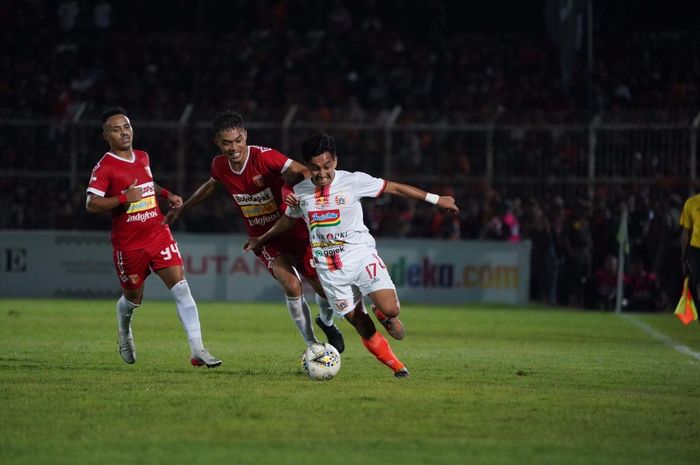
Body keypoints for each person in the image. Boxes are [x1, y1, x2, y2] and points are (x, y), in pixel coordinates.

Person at [244, 133, 460, 377]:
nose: (322, 173)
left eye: (327, 166)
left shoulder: (354, 181)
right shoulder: (300, 192)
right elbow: (288, 220)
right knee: (360, 323)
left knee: (391, 310)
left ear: (335, 161)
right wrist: (262, 239)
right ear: (307, 166)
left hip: (361, 257)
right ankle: (398, 367)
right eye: (315, 168)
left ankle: (381, 313)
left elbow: (395, 188)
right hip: (329, 270)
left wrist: (436, 199)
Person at [165, 111, 344, 352]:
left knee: (323, 287)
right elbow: (212, 184)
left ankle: (326, 321)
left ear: (245, 135)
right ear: (217, 142)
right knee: (292, 285)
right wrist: (184, 208)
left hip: (295, 228)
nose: (234, 147)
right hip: (264, 239)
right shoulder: (219, 165)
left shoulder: (265, 157)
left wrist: (291, 190)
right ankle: (312, 345)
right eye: (227, 142)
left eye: (238, 140)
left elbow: (303, 171)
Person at [85, 107, 221, 368]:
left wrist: (167, 194)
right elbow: (91, 204)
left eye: (127, 126)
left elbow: (148, 184)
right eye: (116, 129)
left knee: (181, 288)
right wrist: (125, 198)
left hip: (158, 234)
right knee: (133, 299)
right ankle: (124, 333)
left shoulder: (143, 156)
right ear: (106, 136)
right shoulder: (104, 167)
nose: (124, 132)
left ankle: (198, 349)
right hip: (129, 245)